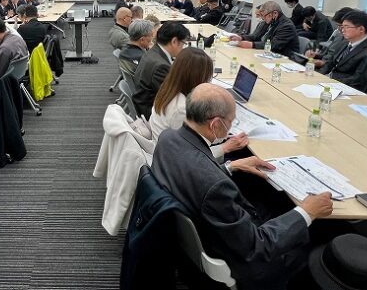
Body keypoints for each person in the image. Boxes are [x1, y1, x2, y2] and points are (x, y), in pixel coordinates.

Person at [151, 83, 334, 290]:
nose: (231, 127)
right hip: (241, 259)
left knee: (266, 194)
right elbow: (257, 246)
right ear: (215, 124)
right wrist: (307, 212)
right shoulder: (216, 188)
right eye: (231, 121)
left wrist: (231, 166)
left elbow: (193, 173)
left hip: (201, 234)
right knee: (324, 234)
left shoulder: (168, 138)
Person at [149, 48, 249, 158]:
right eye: (207, 78)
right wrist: (225, 146)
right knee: (243, 154)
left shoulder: (169, 89)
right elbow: (191, 155)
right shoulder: (180, 109)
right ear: (197, 78)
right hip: (173, 159)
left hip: (166, 150)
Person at [133, 22, 190, 119]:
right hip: (151, 113)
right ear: (174, 41)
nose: (183, 48)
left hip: (144, 103)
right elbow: (175, 95)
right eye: (183, 43)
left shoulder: (153, 52)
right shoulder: (161, 66)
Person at [317, 10, 367, 91]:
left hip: (346, 89)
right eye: (342, 27)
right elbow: (330, 63)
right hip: (327, 82)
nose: (342, 30)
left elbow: (358, 79)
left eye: (347, 27)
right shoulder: (345, 42)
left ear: (361, 29)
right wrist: (319, 76)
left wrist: (331, 81)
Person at [230, 1, 300, 58]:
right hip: (267, 54)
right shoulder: (270, 21)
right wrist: (241, 37)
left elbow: (274, 45)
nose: (263, 19)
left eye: (264, 16)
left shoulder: (286, 26)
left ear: (275, 13)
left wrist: (252, 45)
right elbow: (255, 36)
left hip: (285, 59)